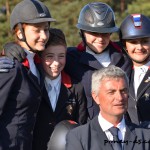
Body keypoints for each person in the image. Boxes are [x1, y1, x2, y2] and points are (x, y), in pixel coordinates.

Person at [0, 2, 132, 121]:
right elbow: (42, 53)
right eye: (94, 33)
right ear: (82, 32)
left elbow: (140, 49)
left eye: (105, 33)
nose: (100, 38)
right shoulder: (71, 57)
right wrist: (10, 46)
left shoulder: (124, 58)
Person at [0, 0, 55, 149]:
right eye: (37, 30)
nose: (44, 36)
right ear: (20, 33)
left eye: (46, 29)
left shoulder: (38, 63)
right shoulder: (9, 67)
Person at [66, 65, 150, 150]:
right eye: (111, 92)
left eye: (123, 91)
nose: (120, 97)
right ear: (96, 97)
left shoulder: (145, 136)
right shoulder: (78, 137)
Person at [32, 28, 87, 150]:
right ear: (40, 56)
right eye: (50, 56)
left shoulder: (76, 88)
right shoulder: (32, 85)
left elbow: (81, 125)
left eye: (61, 56)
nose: (56, 62)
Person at [119, 14, 150, 125]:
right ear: (124, 45)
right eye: (133, 42)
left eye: (145, 41)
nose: (139, 47)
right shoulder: (121, 73)